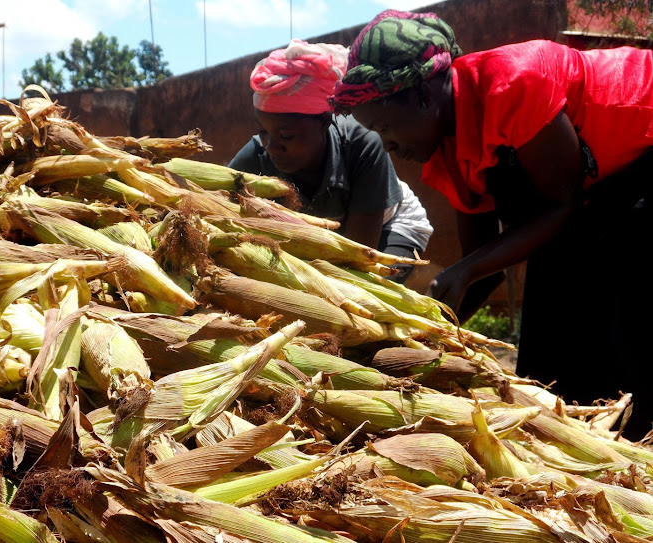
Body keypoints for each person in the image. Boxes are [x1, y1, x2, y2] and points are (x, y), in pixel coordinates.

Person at [331, 10, 653, 438]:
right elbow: (483, 263)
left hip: (640, 153)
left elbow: (562, 205)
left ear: (424, 93)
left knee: (628, 303)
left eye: (386, 127)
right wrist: (428, 332)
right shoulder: (448, 158)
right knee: (551, 360)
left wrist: (462, 273)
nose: (388, 146)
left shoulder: (511, 83)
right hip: (587, 197)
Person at [229, 39, 432, 282]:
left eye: (286, 136)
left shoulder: (363, 145)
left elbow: (357, 257)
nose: (271, 147)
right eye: (262, 132)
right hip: (327, 244)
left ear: (324, 123)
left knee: (370, 290)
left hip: (389, 226)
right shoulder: (256, 157)